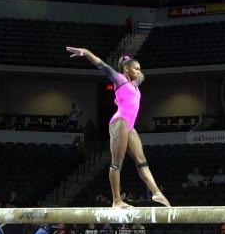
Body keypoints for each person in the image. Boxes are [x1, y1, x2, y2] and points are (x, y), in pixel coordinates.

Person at [66, 47, 170, 209]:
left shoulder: (135, 84)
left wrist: (130, 63)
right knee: (117, 163)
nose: (139, 71)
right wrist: (86, 53)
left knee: (142, 162)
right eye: (136, 68)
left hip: (129, 125)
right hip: (120, 122)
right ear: (126, 70)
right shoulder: (120, 79)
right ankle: (116, 200)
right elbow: (103, 66)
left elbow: (142, 76)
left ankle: (156, 192)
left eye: (139, 69)